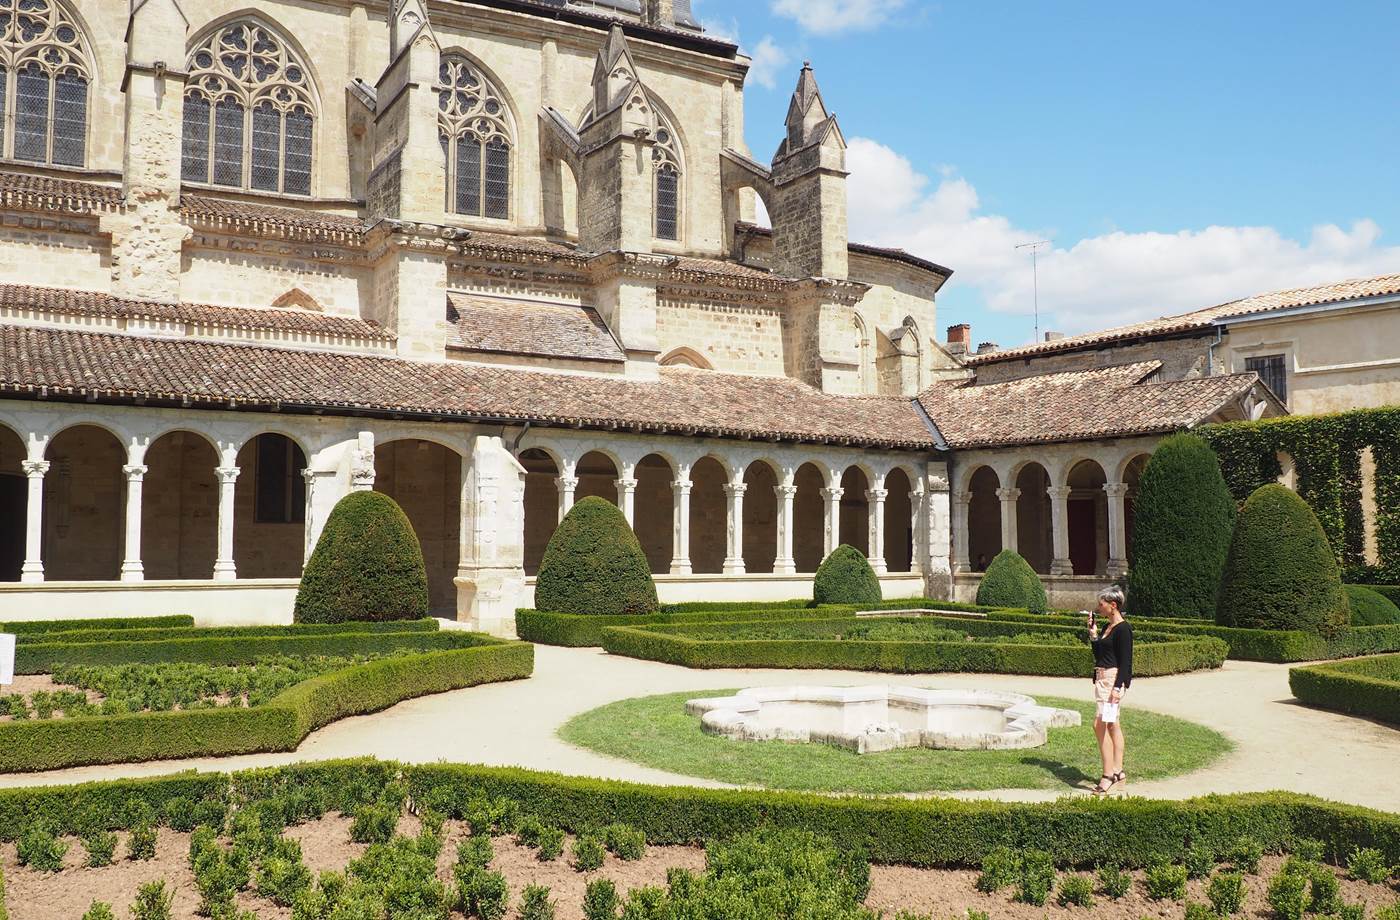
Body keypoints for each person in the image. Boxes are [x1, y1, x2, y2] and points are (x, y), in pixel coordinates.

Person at [1086, 585, 1133, 795]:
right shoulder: (1108, 627)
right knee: (1113, 725)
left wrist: (1117, 688)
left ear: (1113, 605)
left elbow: (1126, 663)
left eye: (1101, 604)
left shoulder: (1123, 629)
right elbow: (1100, 656)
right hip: (1103, 680)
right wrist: (1094, 636)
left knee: (1100, 725)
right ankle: (1119, 771)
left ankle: (1108, 775)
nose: (1099, 607)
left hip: (1112, 682)